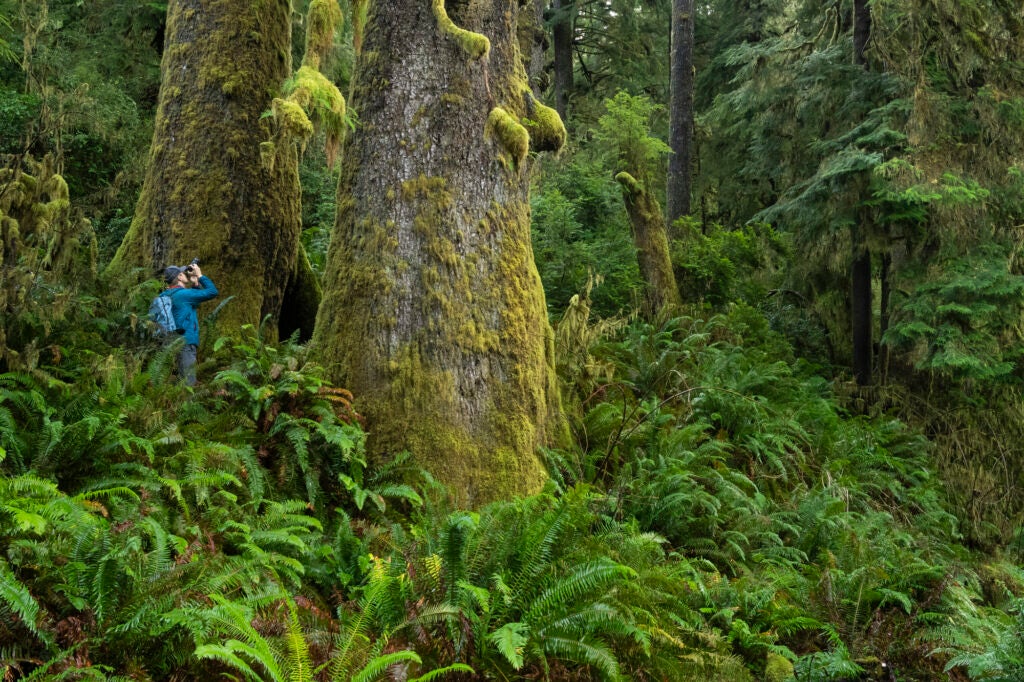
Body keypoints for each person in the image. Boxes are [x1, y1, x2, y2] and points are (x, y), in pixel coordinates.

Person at [159, 262, 219, 385]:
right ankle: (187, 403)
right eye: (183, 273)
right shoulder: (184, 294)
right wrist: (200, 276)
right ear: (180, 277)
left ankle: (176, 402)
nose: (186, 273)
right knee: (188, 381)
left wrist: (195, 284)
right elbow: (212, 292)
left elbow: (191, 305)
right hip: (185, 341)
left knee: (177, 379)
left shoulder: (165, 295)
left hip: (170, 341)